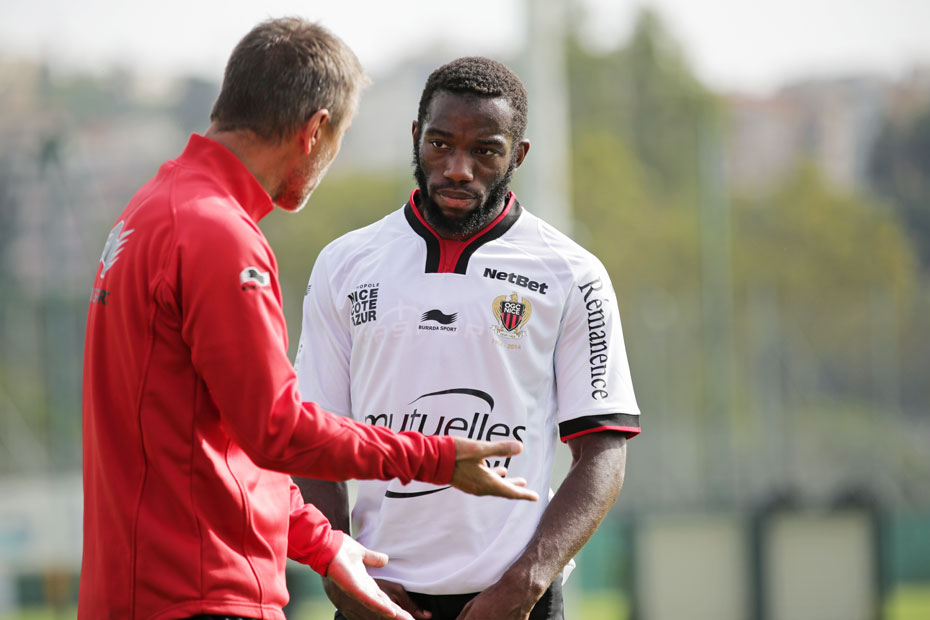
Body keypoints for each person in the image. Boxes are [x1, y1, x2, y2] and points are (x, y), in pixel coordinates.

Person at [79, 22, 538, 620]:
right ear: (315, 129)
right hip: (202, 594)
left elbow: (218, 439)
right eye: (340, 136)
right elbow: (277, 430)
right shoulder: (219, 234)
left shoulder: (149, 210)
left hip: (134, 592)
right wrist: (437, 458)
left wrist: (324, 544)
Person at [294, 57, 642, 620]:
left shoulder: (573, 274)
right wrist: (342, 567)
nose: (458, 168)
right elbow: (311, 441)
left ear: (518, 155)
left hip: (514, 602)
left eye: (485, 150)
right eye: (440, 144)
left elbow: (603, 452)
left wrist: (526, 582)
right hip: (377, 598)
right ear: (416, 137)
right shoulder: (345, 264)